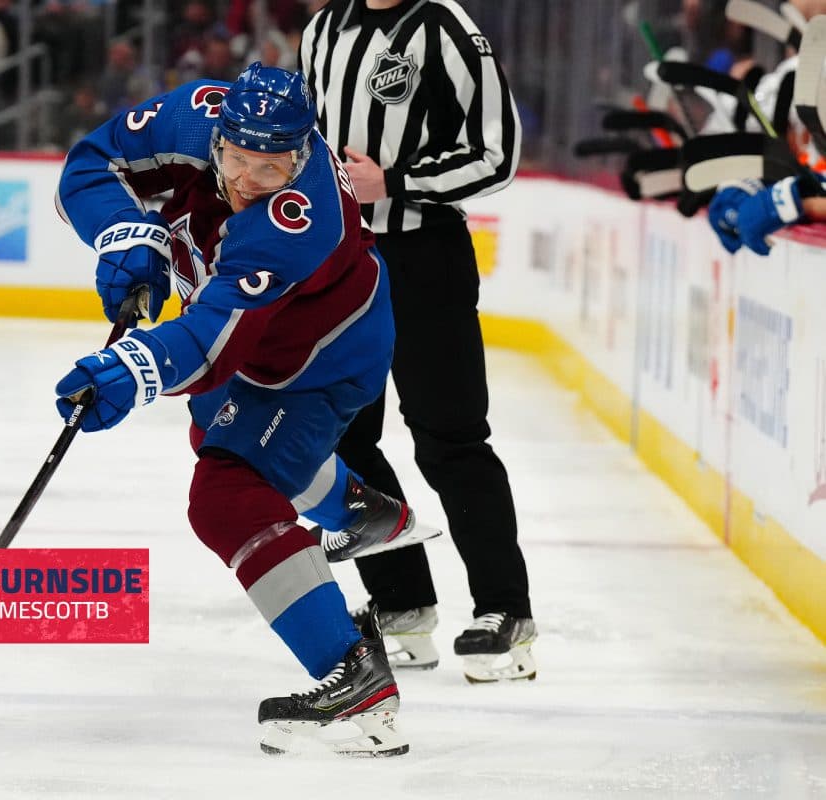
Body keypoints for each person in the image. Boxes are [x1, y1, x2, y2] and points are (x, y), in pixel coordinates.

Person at [55, 62, 418, 756]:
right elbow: (91, 164)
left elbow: (209, 343)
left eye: (273, 167)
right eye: (239, 161)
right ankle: (359, 511)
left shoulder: (295, 220)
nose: (252, 180)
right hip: (252, 344)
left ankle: (354, 677)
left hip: (318, 363)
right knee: (221, 432)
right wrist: (128, 236)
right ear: (216, 136)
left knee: (227, 495)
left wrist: (127, 370)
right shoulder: (193, 114)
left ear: (303, 152)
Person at [299, 0, 536, 682]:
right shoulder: (322, 29)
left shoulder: (446, 28)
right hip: (341, 260)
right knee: (344, 436)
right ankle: (402, 606)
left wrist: (395, 182)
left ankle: (504, 610)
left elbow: (498, 154)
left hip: (423, 255)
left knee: (449, 438)